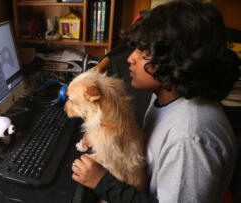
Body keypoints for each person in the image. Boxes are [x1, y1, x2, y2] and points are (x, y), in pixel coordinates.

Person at [71, 0, 240, 202]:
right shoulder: (166, 95)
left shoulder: (188, 138)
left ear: (178, 60)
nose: (130, 58)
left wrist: (104, 183)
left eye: (146, 53)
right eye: (135, 48)